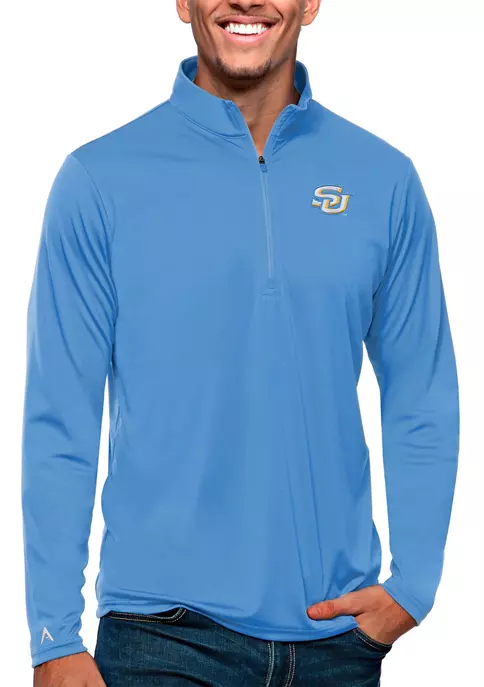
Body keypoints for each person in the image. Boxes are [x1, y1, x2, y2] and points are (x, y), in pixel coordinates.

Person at [22, 1, 460, 685]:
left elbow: (421, 394)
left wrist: (414, 588)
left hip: (335, 640)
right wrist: (53, 635)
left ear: (310, 4)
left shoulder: (383, 179)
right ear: (184, 3)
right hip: (160, 637)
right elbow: (60, 419)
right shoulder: (99, 180)